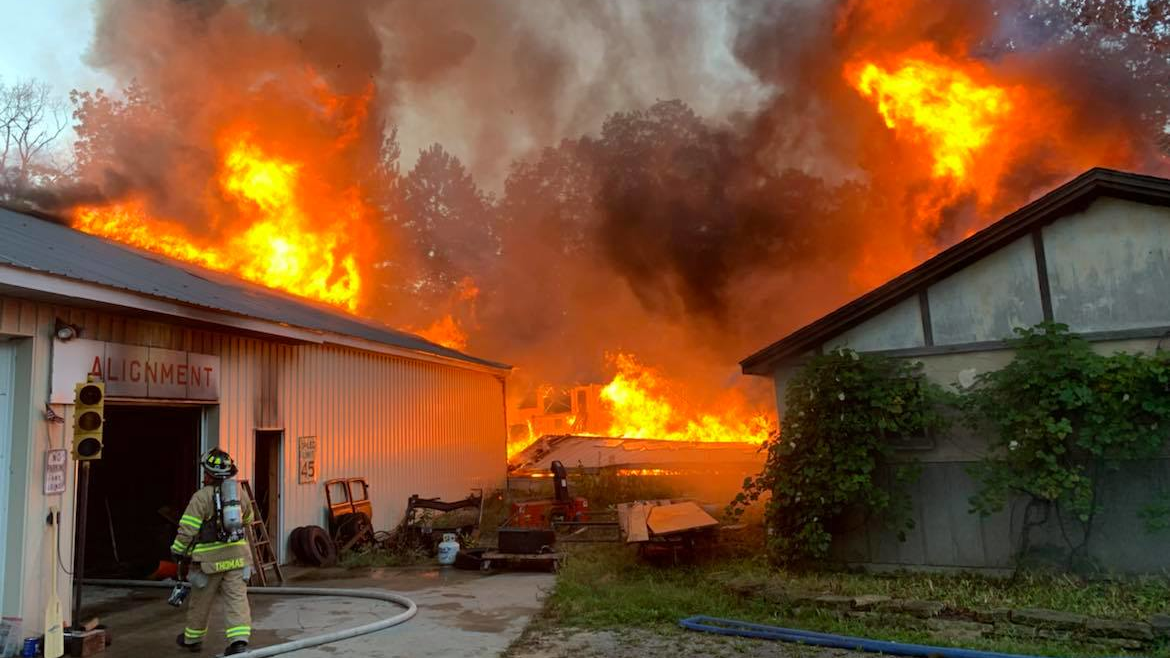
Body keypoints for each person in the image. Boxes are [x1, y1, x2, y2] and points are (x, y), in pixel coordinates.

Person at [171, 448, 254, 655]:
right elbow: (249, 519)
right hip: (237, 558)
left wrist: (177, 551)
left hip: (208, 563)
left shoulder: (200, 497)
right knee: (237, 600)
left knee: (201, 601)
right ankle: (239, 642)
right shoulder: (238, 493)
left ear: (207, 474)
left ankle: (193, 640)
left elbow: (187, 529)